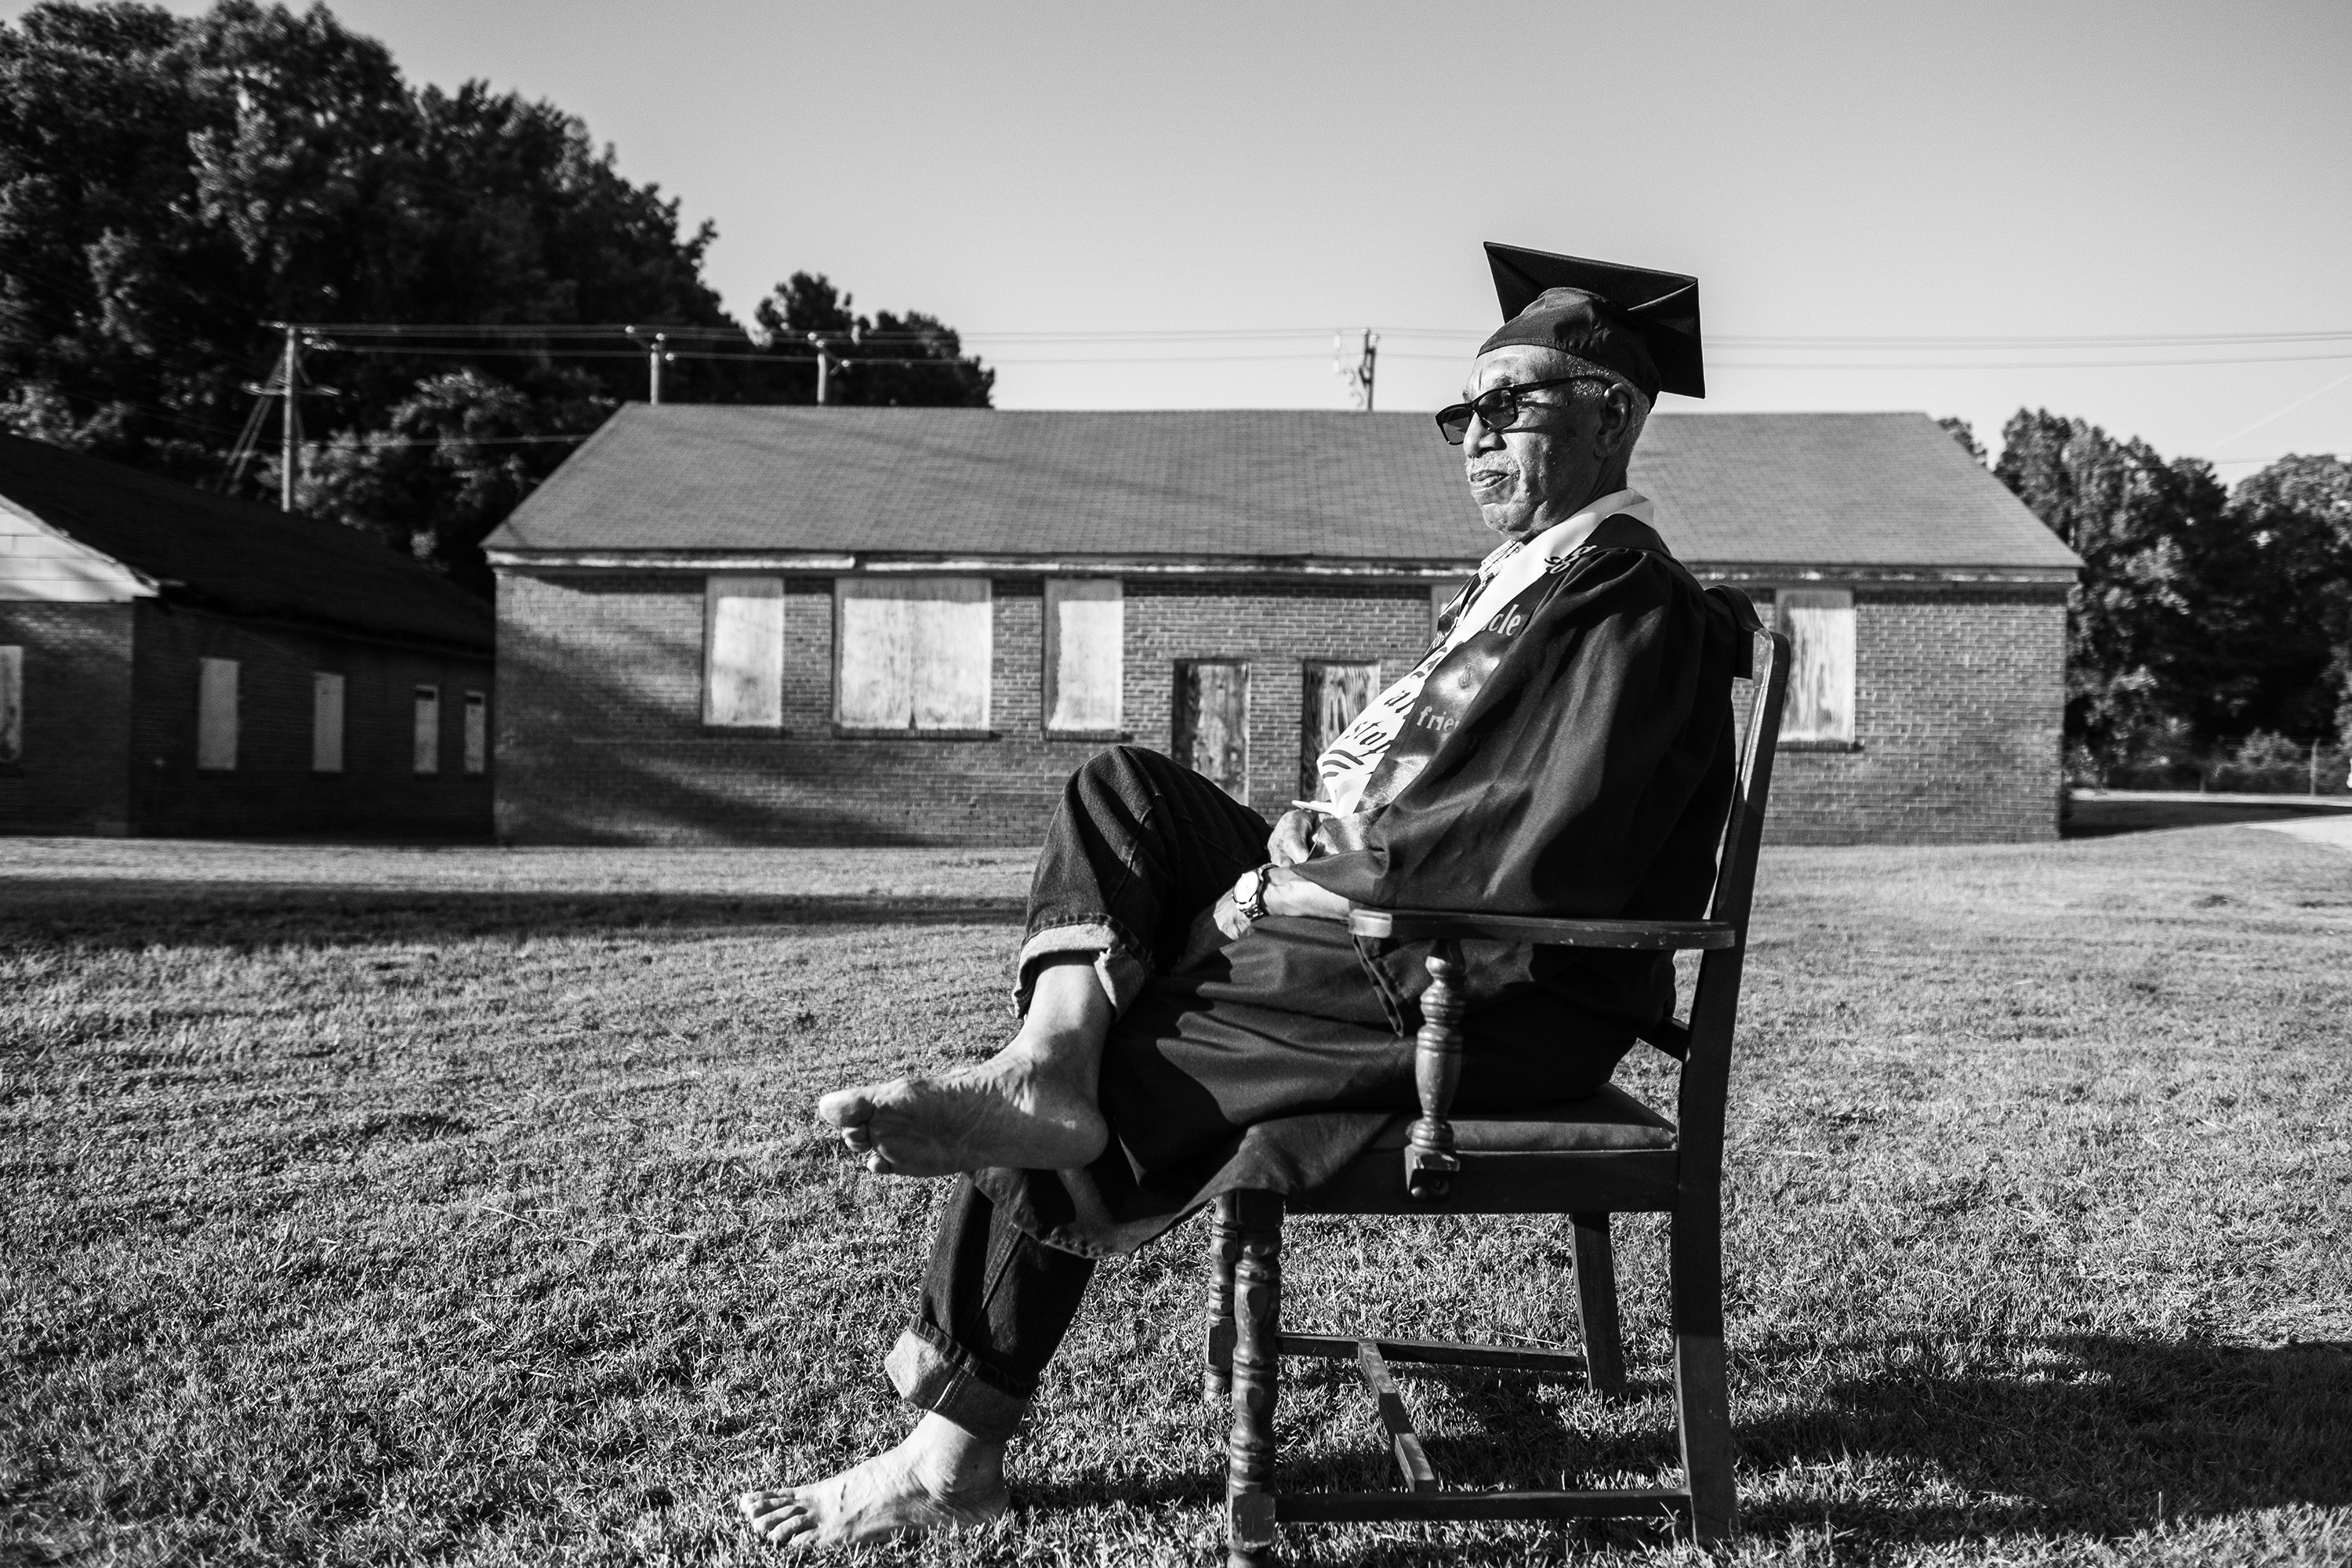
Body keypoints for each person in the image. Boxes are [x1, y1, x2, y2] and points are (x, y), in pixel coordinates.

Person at [739, 244, 1757, 1550]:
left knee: (1141, 1045)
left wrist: (1292, 888)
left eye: (1514, 403)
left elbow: (1528, 838)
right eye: (1464, 413)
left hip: (1485, 976)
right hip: (1400, 922)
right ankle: (1043, 1058)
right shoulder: (1527, 582)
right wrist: (1283, 867)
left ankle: (953, 1444)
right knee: (1128, 795)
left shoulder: (1621, 594)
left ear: (1614, 411)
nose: (1476, 435)